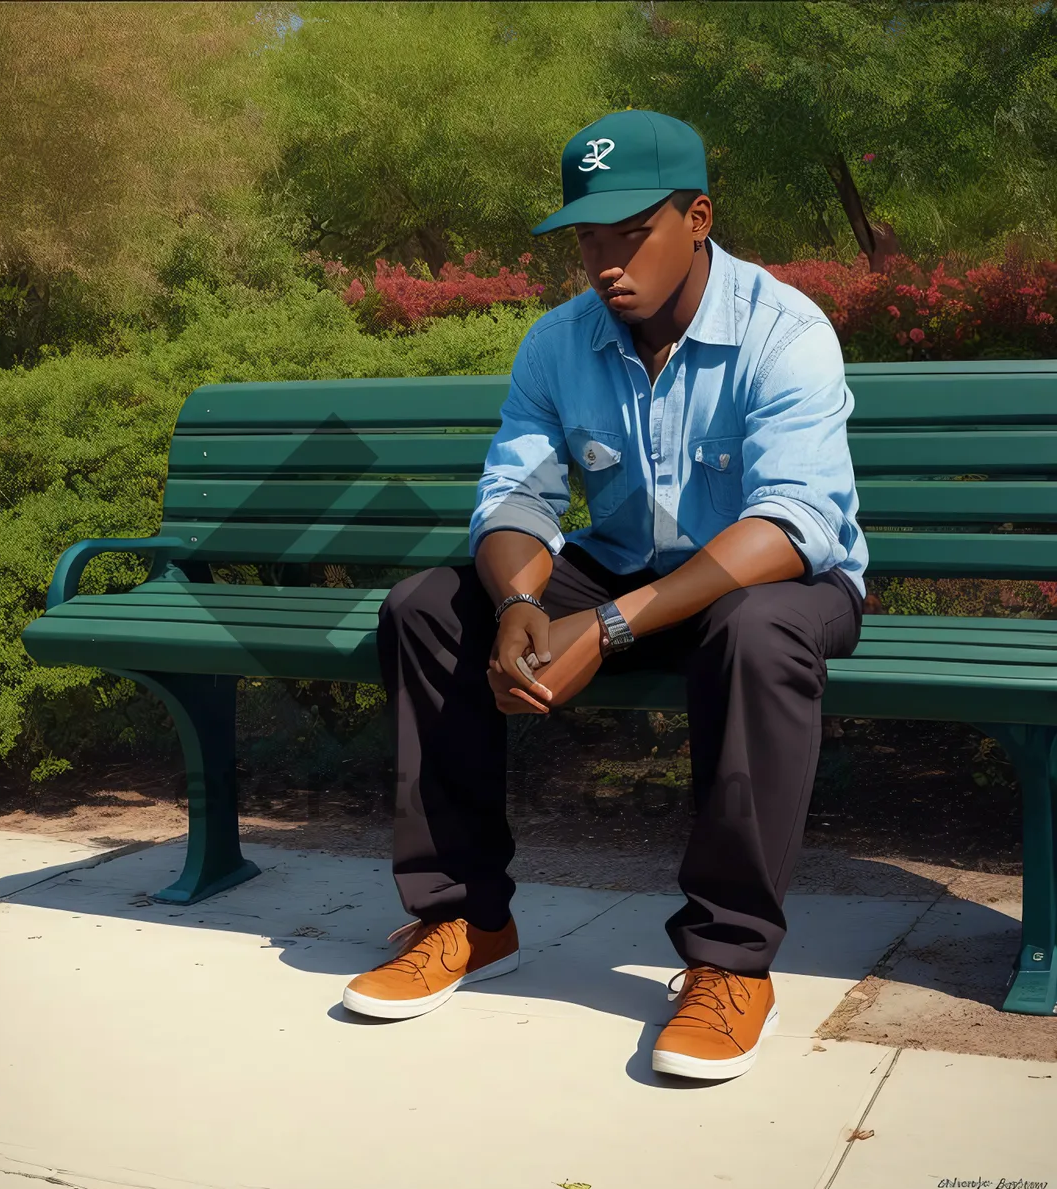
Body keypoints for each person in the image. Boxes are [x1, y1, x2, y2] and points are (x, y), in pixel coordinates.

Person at [342, 109, 869, 1082]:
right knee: (425, 606)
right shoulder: (559, 344)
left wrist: (610, 623)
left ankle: (729, 963)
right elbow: (516, 498)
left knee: (756, 631)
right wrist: (516, 605)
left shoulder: (783, 332)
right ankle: (462, 919)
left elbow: (795, 524)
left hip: (780, 581)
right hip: (627, 564)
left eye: (632, 233)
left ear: (698, 217)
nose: (606, 261)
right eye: (588, 236)